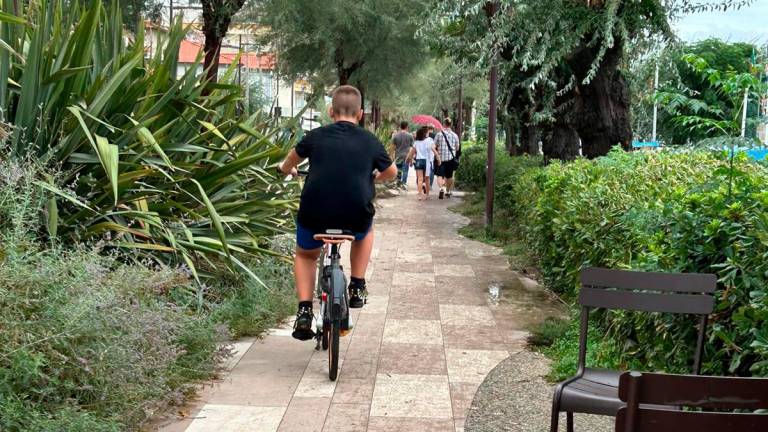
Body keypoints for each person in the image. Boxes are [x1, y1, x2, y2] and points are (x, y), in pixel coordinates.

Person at [278, 85, 398, 341]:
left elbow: (289, 163)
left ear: (330, 111)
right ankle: (357, 284)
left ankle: (304, 312)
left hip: (315, 213)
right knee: (365, 231)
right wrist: (374, 177)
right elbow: (391, 173)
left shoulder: (315, 136)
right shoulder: (370, 140)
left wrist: (287, 169)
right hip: (355, 214)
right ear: (361, 113)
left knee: (305, 255)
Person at [407, 126, 440, 200]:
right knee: (427, 179)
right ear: (424, 134)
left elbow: (411, 153)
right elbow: (433, 150)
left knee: (420, 179)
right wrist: (438, 158)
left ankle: (419, 195)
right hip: (427, 161)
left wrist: (409, 159)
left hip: (419, 161)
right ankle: (427, 195)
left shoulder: (416, 142)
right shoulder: (429, 141)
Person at [433, 118, 460, 199]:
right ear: (450, 124)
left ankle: (441, 189)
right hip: (450, 158)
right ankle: (448, 191)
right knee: (449, 176)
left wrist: (438, 151)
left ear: (444, 124)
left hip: (440, 158)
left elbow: (434, 146)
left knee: (439, 175)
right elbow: (457, 148)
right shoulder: (455, 135)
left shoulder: (439, 134)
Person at [392, 121, 414, 189]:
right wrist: (411, 158)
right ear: (407, 127)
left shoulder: (395, 135)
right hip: (406, 156)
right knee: (405, 171)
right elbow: (412, 148)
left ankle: (398, 184)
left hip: (398, 156)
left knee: (398, 170)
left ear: (400, 126)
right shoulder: (410, 136)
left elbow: (392, 147)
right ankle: (403, 184)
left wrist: (391, 156)